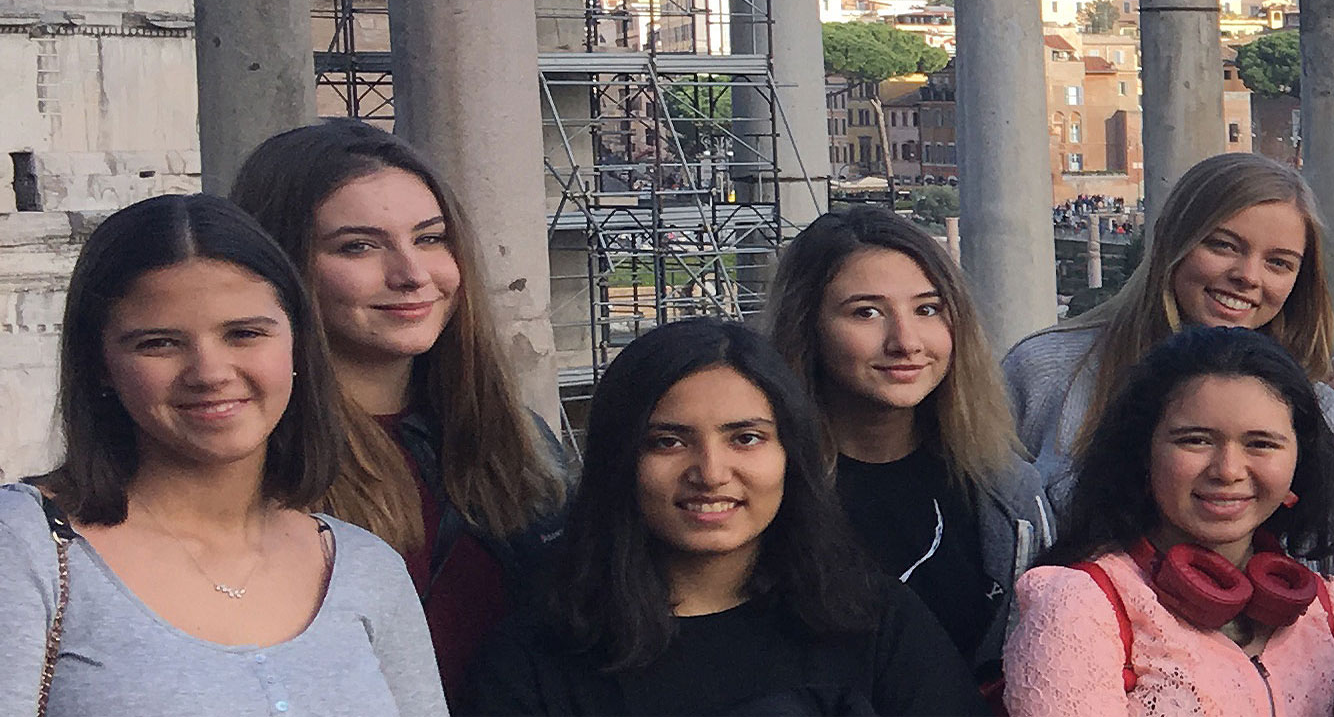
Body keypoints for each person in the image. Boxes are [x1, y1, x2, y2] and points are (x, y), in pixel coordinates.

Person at [3, 194, 446, 717]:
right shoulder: (26, 547)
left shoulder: (366, 567)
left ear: (299, 345)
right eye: (160, 343)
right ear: (100, 365)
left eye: (244, 334)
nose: (210, 373)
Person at [468, 318, 979, 715]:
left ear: (790, 456)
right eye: (668, 442)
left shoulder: (878, 622)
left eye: (746, 438)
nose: (711, 473)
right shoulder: (532, 657)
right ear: (619, 460)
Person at [230, 119, 567, 690]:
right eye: (358, 246)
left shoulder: (521, 443)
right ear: (280, 263)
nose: (411, 275)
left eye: (430, 238)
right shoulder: (250, 464)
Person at [1000, 153, 1334, 576]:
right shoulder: (1043, 370)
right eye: (1224, 245)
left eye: (1278, 263)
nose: (1248, 275)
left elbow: (1332, 577)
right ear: (1173, 242)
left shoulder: (1326, 415)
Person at [1004, 325, 1334, 716]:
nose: (1228, 470)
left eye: (1261, 444)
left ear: (1300, 464)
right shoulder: (1080, 604)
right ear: (1142, 455)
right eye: (1196, 440)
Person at [767, 205, 1054, 662]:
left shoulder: (1006, 494)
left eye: (927, 309)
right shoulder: (761, 491)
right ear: (807, 327)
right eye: (866, 313)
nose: (906, 341)